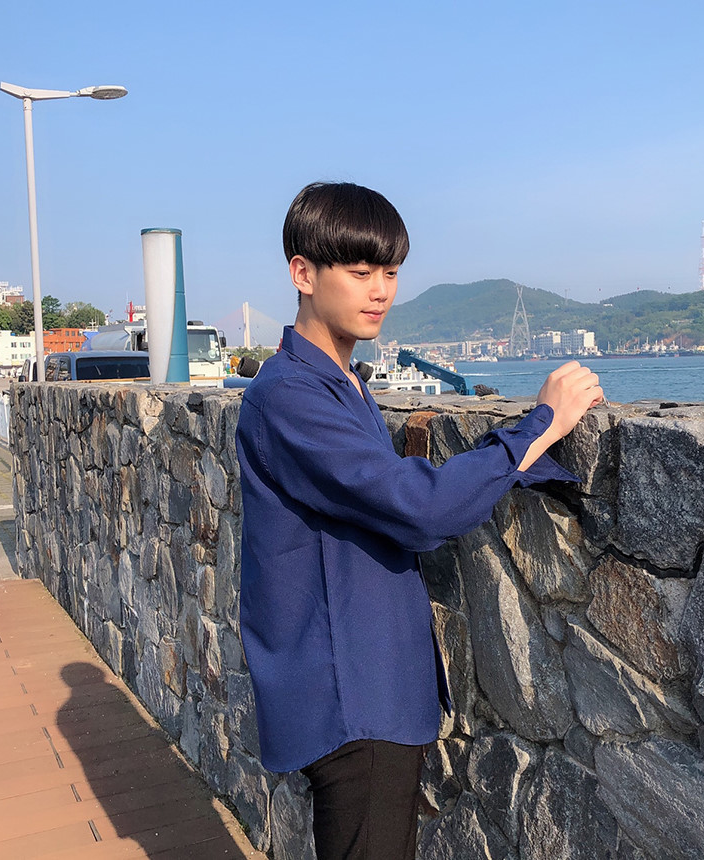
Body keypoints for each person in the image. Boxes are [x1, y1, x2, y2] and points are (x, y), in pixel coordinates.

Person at [235, 181, 603, 860]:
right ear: (303, 273)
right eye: (361, 271)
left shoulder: (340, 382)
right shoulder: (288, 396)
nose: (381, 291)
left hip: (367, 681)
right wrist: (541, 425)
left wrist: (518, 461)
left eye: (391, 272)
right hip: (352, 693)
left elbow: (387, 494)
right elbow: (420, 507)